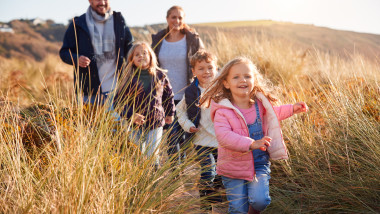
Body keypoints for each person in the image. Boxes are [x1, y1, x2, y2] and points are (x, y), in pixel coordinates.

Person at [200, 57, 309, 214]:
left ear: (254, 80)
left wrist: (292, 109)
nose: (242, 80)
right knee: (238, 208)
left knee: (260, 201)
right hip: (233, 166)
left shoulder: (259, 103)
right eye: (236, 77)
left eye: (247, 76)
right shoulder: (222, 110)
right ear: (226, 83)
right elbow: (224, 136)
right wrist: (251, 143)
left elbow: (273, 113)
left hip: (258, 163)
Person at [151, 5, 205, 166]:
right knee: (172, 137)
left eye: (180, 17)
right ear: (167, 19)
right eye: (173, 17)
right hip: (163, 97)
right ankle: (176, 174)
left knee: (179, 137)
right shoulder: (158, 39)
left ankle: (178, 173)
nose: (177, 20)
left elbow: (203, 62)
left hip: (186, 96)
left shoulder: (192, 39)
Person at [60, 0, 133, 105]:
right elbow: (64, 52)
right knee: (88, 122)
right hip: (88, 92)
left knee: (116, 122)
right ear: (90, 1)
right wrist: (77, 59)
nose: (102, 2)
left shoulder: (119, 20)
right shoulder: (78, 23)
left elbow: (129, 48)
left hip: (116, 90)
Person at [114, 42, 175, 167]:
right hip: (133, 124)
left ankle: (154, 181)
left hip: (155, 122)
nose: (141, 56)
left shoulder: (160, 75)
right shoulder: (127, 77)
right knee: (137, 153)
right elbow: (118, 102)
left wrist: (170, 113)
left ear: (151, 56)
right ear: (131, 59)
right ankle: (139, 183)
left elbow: (168, 95)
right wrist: (131, 115)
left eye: (144, 53)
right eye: (137, 54)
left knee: (152, 155)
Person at [176, 50, 222, 210]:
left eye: (210, 67)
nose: (206, 72)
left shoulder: (224, 89)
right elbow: (179, 111)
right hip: (201, 140)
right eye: (201, 68)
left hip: (222, 140)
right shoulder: (191, 91)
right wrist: (188, 125)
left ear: (217, 68)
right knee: (207, 172)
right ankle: (205, 208)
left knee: (221, 174)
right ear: (193, 71)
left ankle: (214, 194)